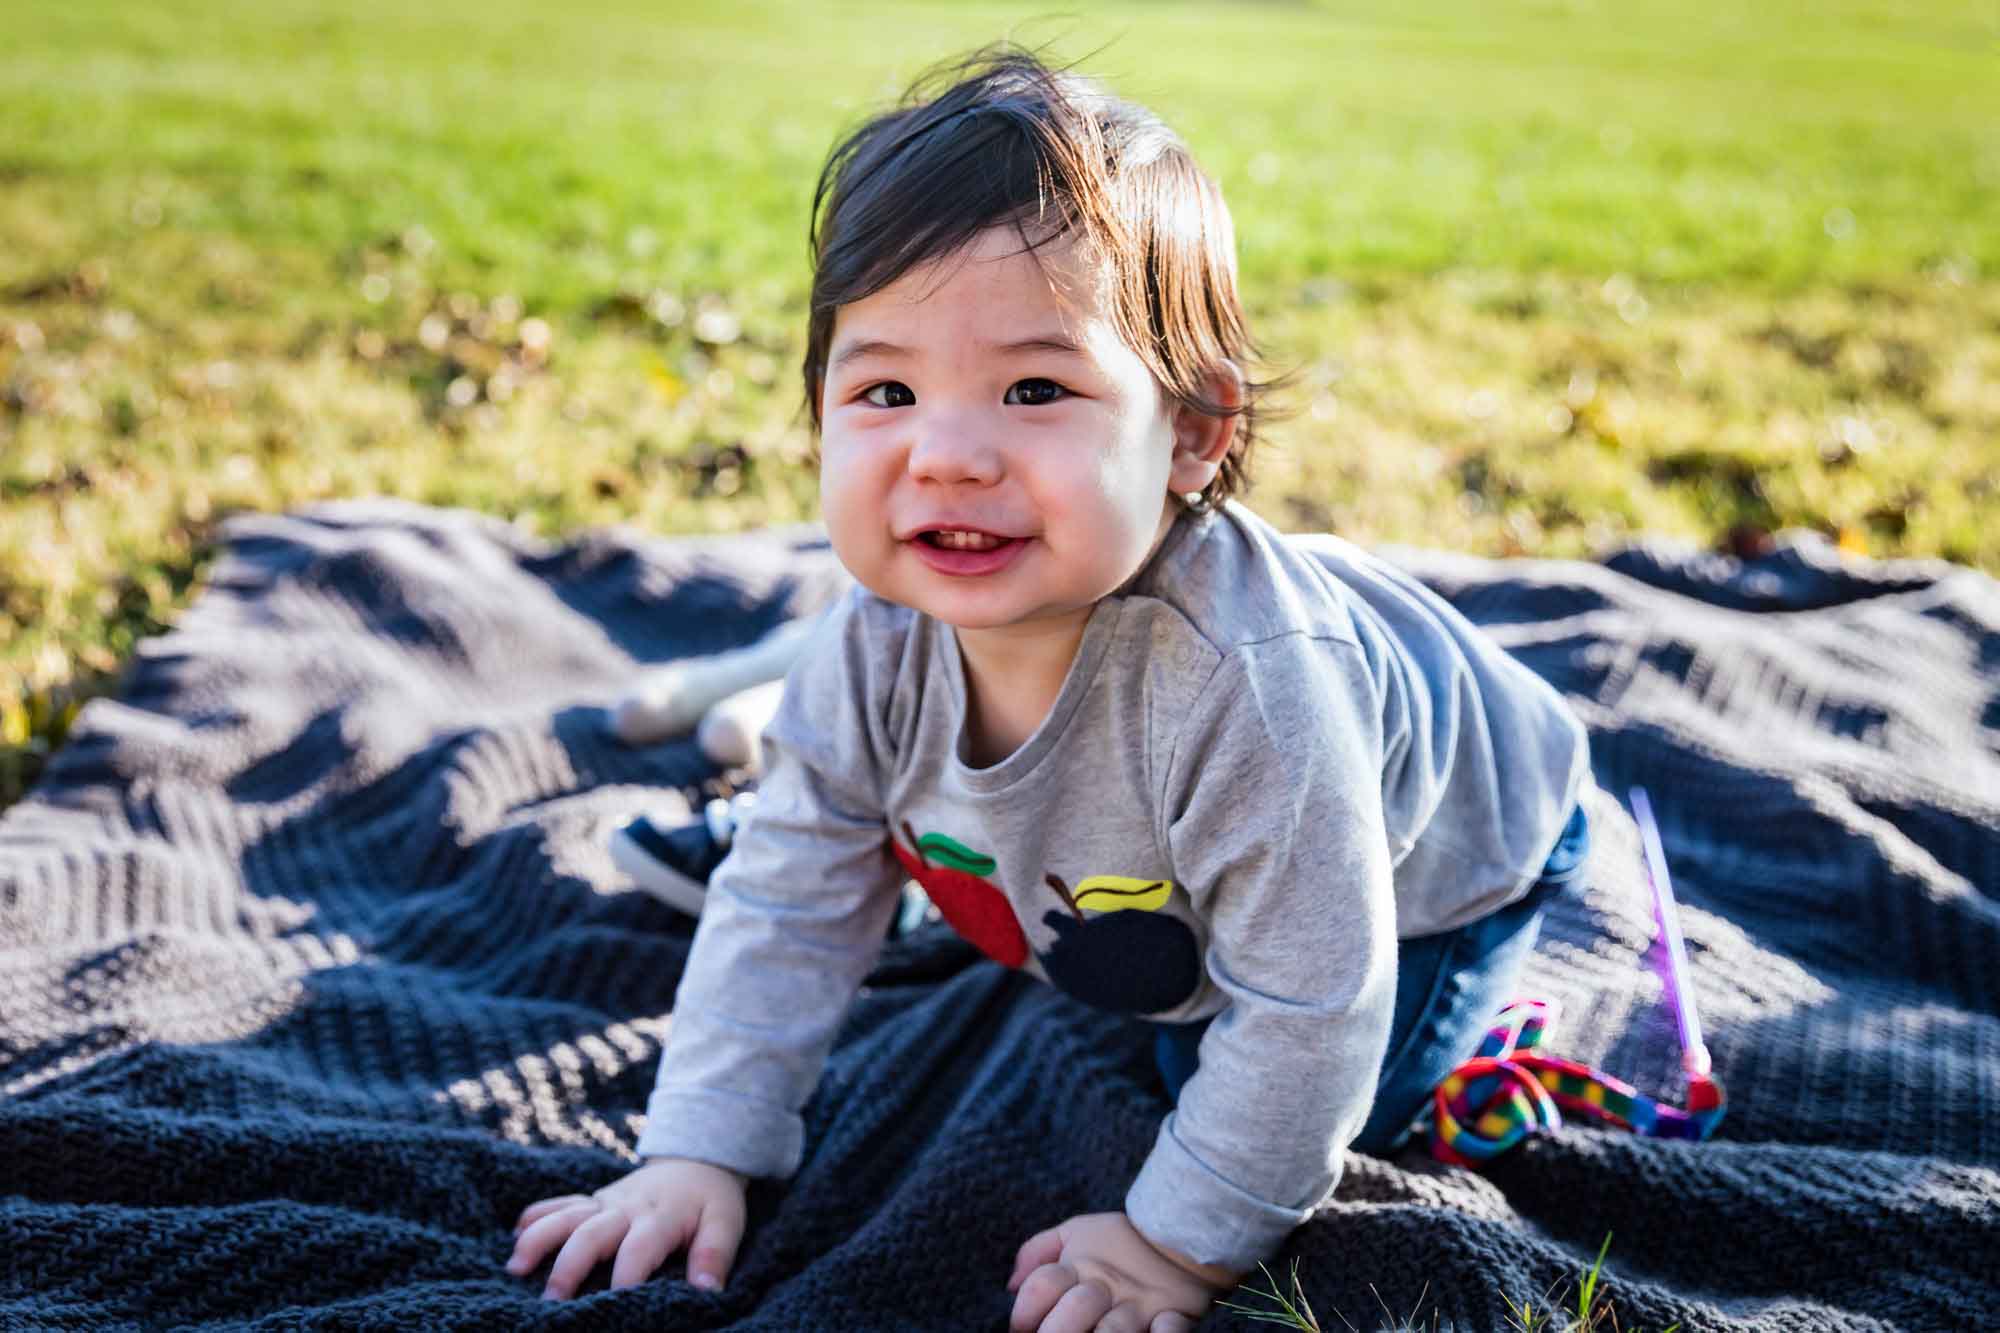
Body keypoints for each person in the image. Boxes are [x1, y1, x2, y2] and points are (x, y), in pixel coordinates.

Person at [508, 45, 1591, 1332]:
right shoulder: (873, 641)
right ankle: (959, 877)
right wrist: (696, 1147)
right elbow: (786, 898)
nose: (948, 453)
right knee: (895, 880)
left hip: (1444, 865)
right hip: (1192, 835)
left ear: (1191, 433)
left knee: (1229, 1073)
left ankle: (1487, 986)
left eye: (1034, 388)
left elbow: (1311, 1012)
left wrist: (1175, 1244)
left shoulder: (1250, 695)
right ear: (818, 411)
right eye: (885, 389)